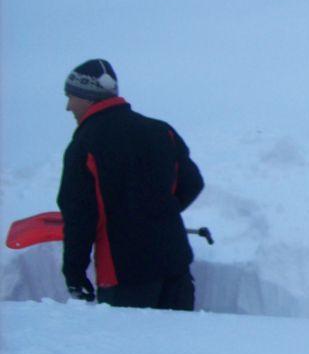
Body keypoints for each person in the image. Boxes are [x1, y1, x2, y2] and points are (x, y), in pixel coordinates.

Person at [57, 59, 204, 310]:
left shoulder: (85, 145)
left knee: (130, 349)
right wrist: (159, 213)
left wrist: (74, 273)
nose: (68, 106)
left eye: (71, 96)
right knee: (178, 347)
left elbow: (80, 216)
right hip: (175, 268)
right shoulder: (160, 131)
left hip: (125, 275)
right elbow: (192, 183)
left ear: (89, 97)